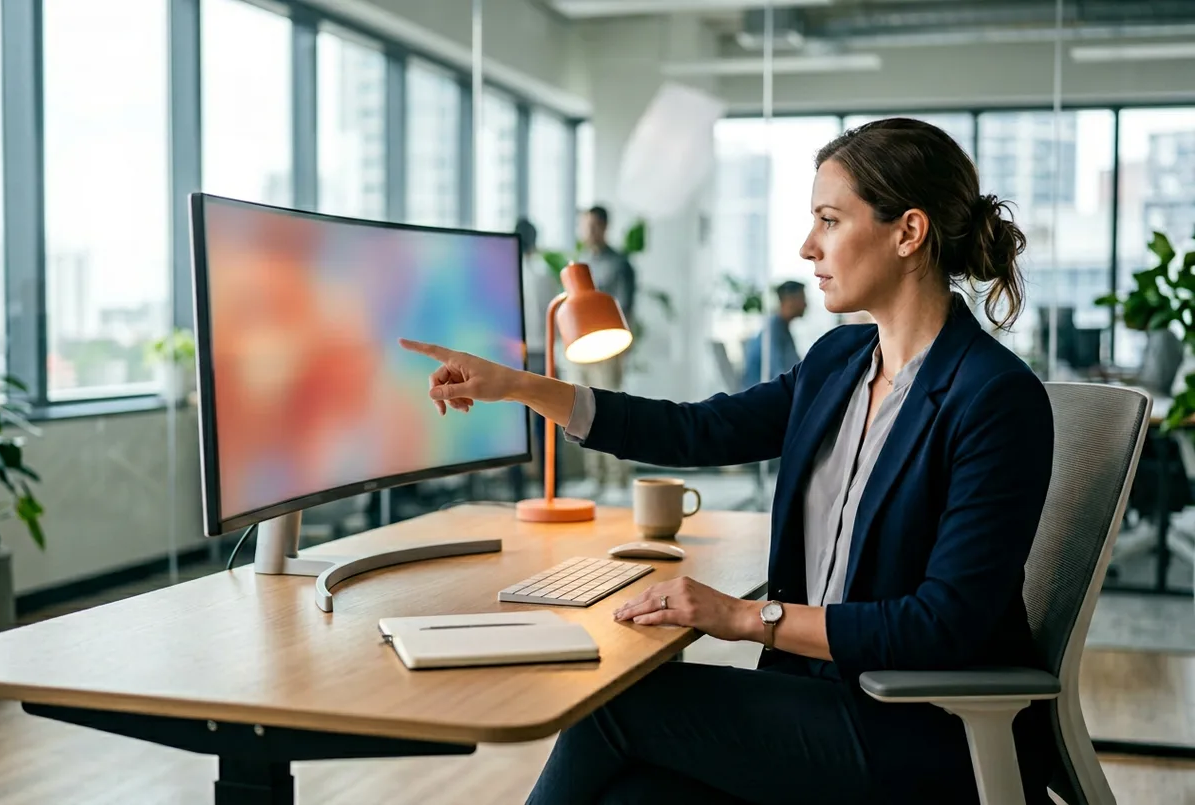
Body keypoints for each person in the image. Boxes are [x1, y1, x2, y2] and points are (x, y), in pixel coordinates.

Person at [399, 118, 1053, 805]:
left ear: (908, 232)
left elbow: (940, 625)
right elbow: (697, 431)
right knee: (632, 797)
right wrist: (520, 385)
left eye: (829, 220)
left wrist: (744, 617)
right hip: (814, 699)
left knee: (617, 705)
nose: (807, 247)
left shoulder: (994, 398)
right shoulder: (837, 362)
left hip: (924, 731)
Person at [574, 205, 637, 490]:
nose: (589, 231)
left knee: (609, 408)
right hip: (581, 344)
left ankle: (617, 478)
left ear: (604, 227)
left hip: (609, 346)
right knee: (581, 407)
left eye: (594, 226)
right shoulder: (581, 262)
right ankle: (594, 476)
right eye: (585, 225)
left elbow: (625, 308)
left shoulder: (620, 263)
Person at [513, 217, 560, 493]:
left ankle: (517, 489)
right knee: (548, 421)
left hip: (515, 356)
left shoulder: (506, 273)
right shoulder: (543, 275)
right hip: (543, 355)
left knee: (516, 426)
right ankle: (552, 485)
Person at [741, 280, 807, 389]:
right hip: (762, 397)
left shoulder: (781, 328)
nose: (805, 304)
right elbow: (777, 373)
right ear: (789, 301)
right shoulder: (773, 330)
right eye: (802, 299)